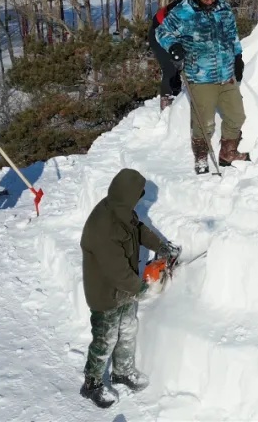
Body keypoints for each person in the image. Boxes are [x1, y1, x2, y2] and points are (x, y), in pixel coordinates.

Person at [79, 168, 180, 408]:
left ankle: (122, 372)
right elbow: (117, 271)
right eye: (137, 196)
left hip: (124, 288)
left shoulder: (121, 210)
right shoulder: (102, 226)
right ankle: (91, 383)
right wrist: (142, 288)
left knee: (127, 330)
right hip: (105, 293)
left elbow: (139, 229)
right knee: (105, 339)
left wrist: (161, 246)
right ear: (127, 195)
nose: (139, 201)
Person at [154, 0, 249, 174]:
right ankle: (201, 158)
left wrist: (238, 57)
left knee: (237, 116)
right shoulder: (183, 12)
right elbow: (162, 32)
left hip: (226, 73)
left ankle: (227, 153)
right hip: (200, 74)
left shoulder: (223, 8)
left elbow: (233, 36)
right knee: (204, 122)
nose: (210, 1)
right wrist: (174, 47)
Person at [148, 0, 186, 110]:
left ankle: (177, 95)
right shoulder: (185, 6)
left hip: (174, 35)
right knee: (169, 67)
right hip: (158, 32)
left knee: (178, 66)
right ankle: (166, 103)